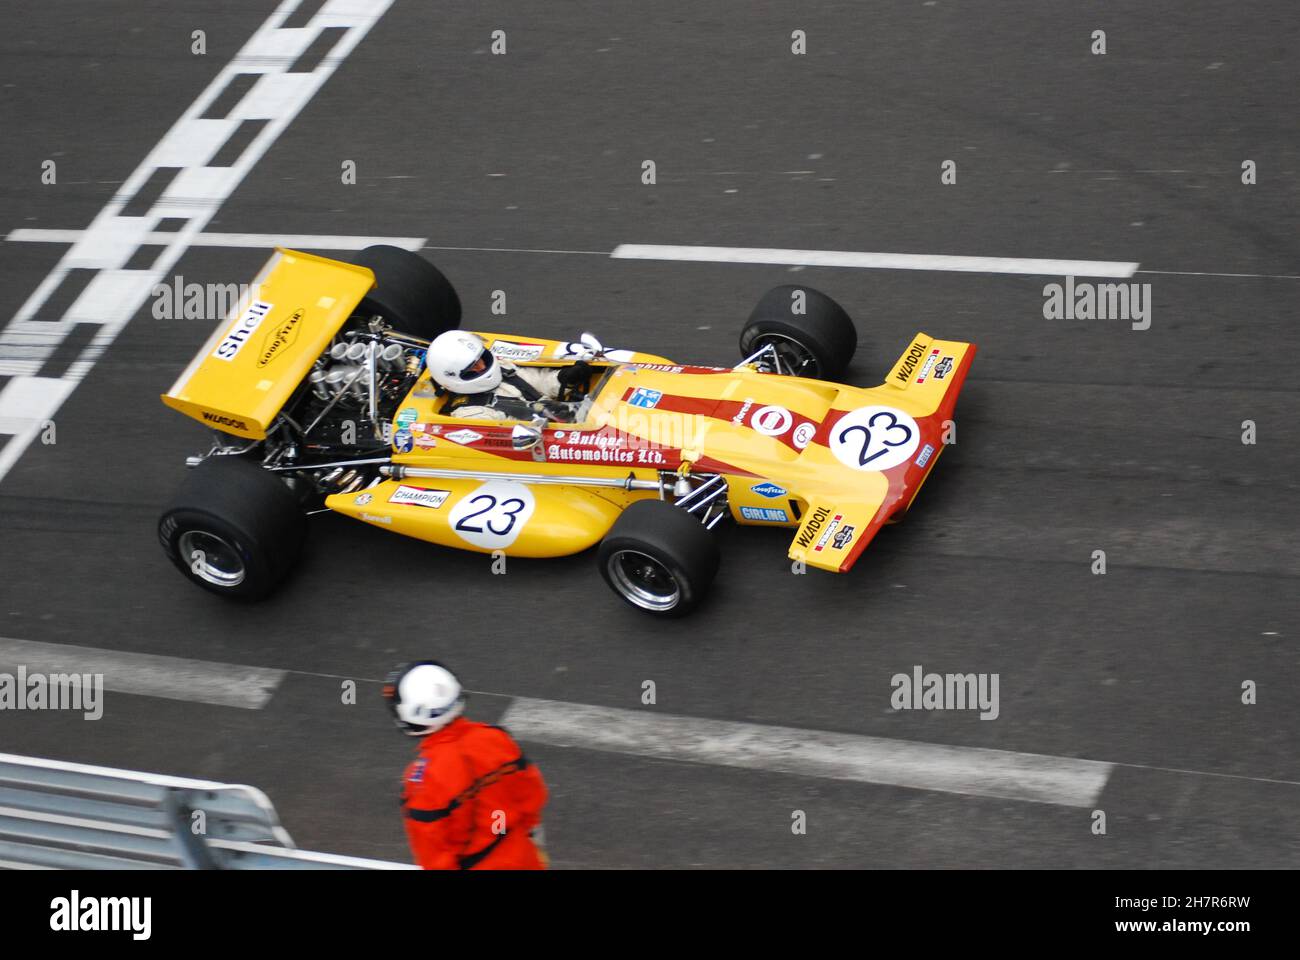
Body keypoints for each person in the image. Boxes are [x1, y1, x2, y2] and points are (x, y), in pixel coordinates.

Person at [383, 660, 549, 870]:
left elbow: (434, 853)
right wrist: (533, 840)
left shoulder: (423, 779)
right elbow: (530, 794)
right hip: (522, 856)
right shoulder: (496, 738)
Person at [425, 330, 591, 422]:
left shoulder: (503, 368)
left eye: (482, 358)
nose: (482, 366)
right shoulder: (470, 414)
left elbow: (536, 381)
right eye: (473, 367)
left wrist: (563, 378)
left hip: (567, 415)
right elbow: (506, 433)